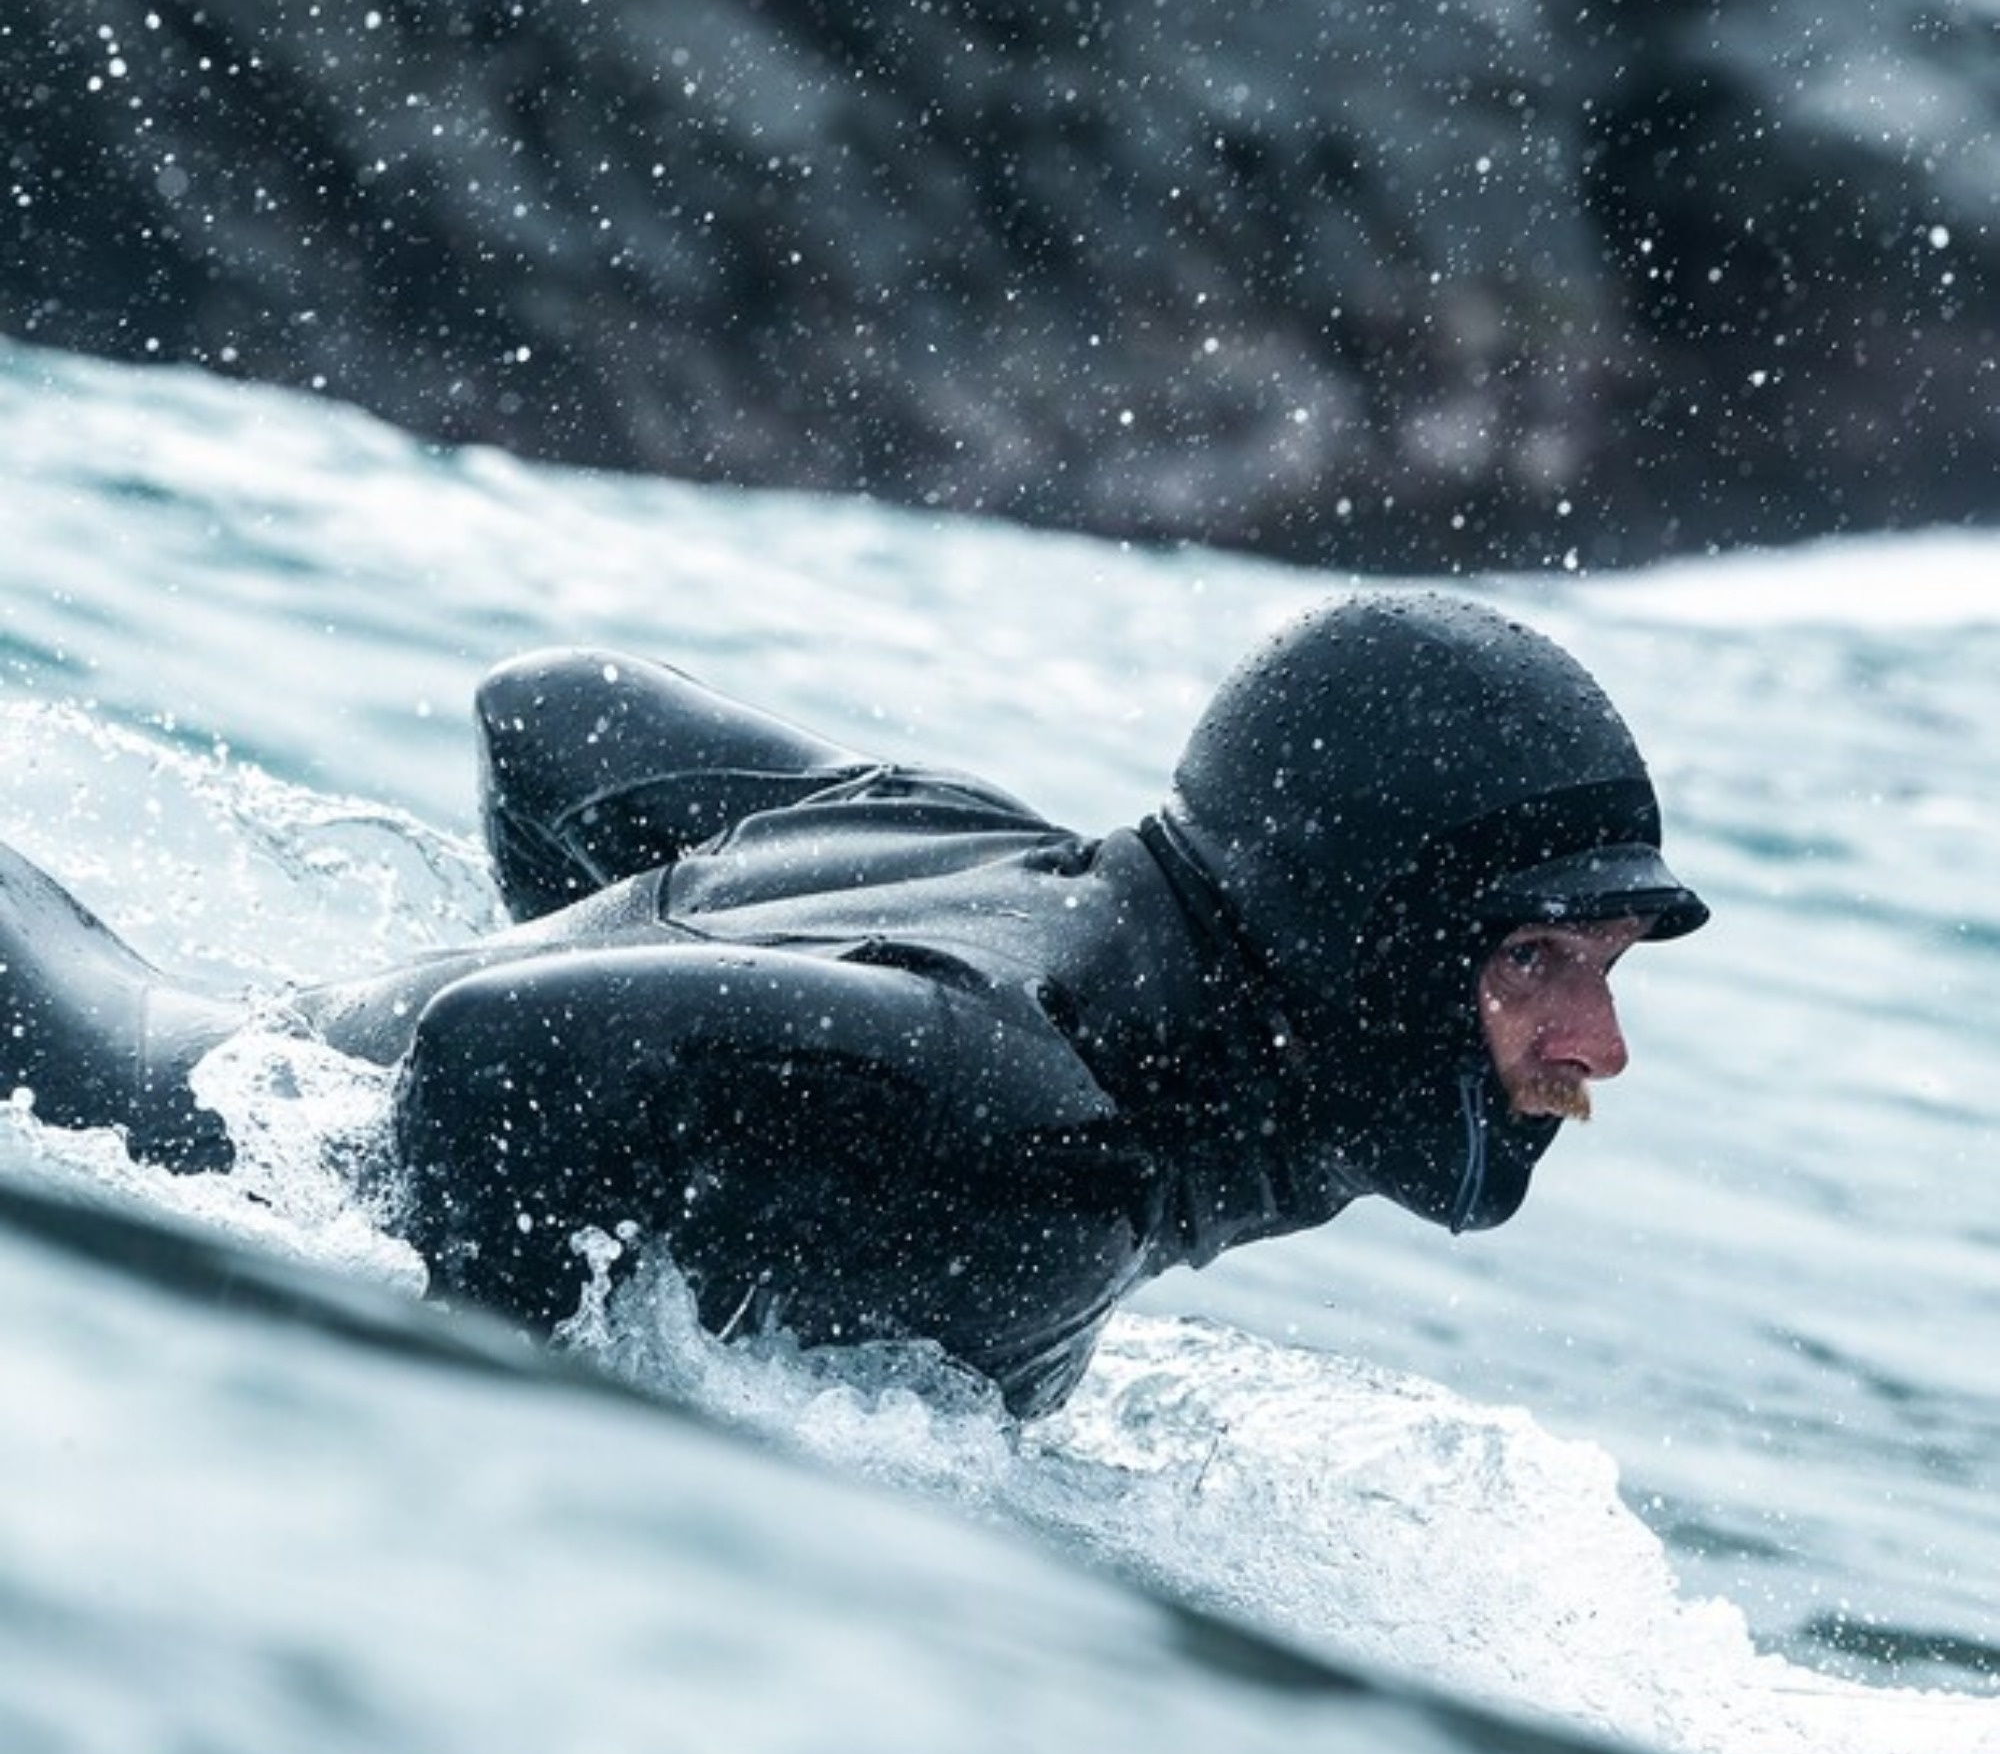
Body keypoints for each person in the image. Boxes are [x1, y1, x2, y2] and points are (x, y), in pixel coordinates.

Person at [0, 591, 1706, 1416]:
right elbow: (496, 1053)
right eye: (1531, 963)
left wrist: (709, 1097)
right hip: (93, 1156)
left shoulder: (973, 849)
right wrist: (483, 1460)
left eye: (1607, 972)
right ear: (1346, 944)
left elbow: (560, 713)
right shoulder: (1035, 1133)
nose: (1596, 1048)